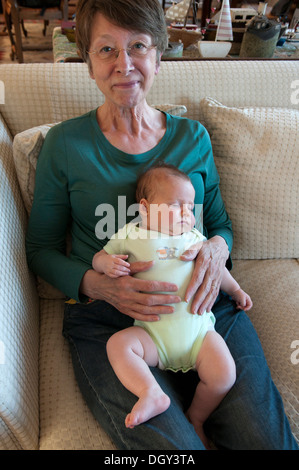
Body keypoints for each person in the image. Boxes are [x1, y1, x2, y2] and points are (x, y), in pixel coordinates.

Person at [25, 0, 298, 450]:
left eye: (138, 46)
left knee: (266, 441)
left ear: (158, 55)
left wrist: (215, 250)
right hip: (109, 320)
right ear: (88, 62)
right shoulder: (65, 144)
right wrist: (98, 284)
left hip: (201, 307)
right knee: (176, 453)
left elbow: (222, 226)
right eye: (106, 50)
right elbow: (40, 250)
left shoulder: (192, 138)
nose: (124, 64)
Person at [92, 163, 253, 448]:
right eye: (175, 205)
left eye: (190, 208)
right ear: (145, 207)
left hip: (199, 335)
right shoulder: (132, 234)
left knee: (224, 374)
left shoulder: (194, 238)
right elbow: (99, 257)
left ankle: (197, 417)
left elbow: (218, 270)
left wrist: (236, 290)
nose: (185, 214)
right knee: (118, 345)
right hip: (153, 335)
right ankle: (150, 392)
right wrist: (107, 264)